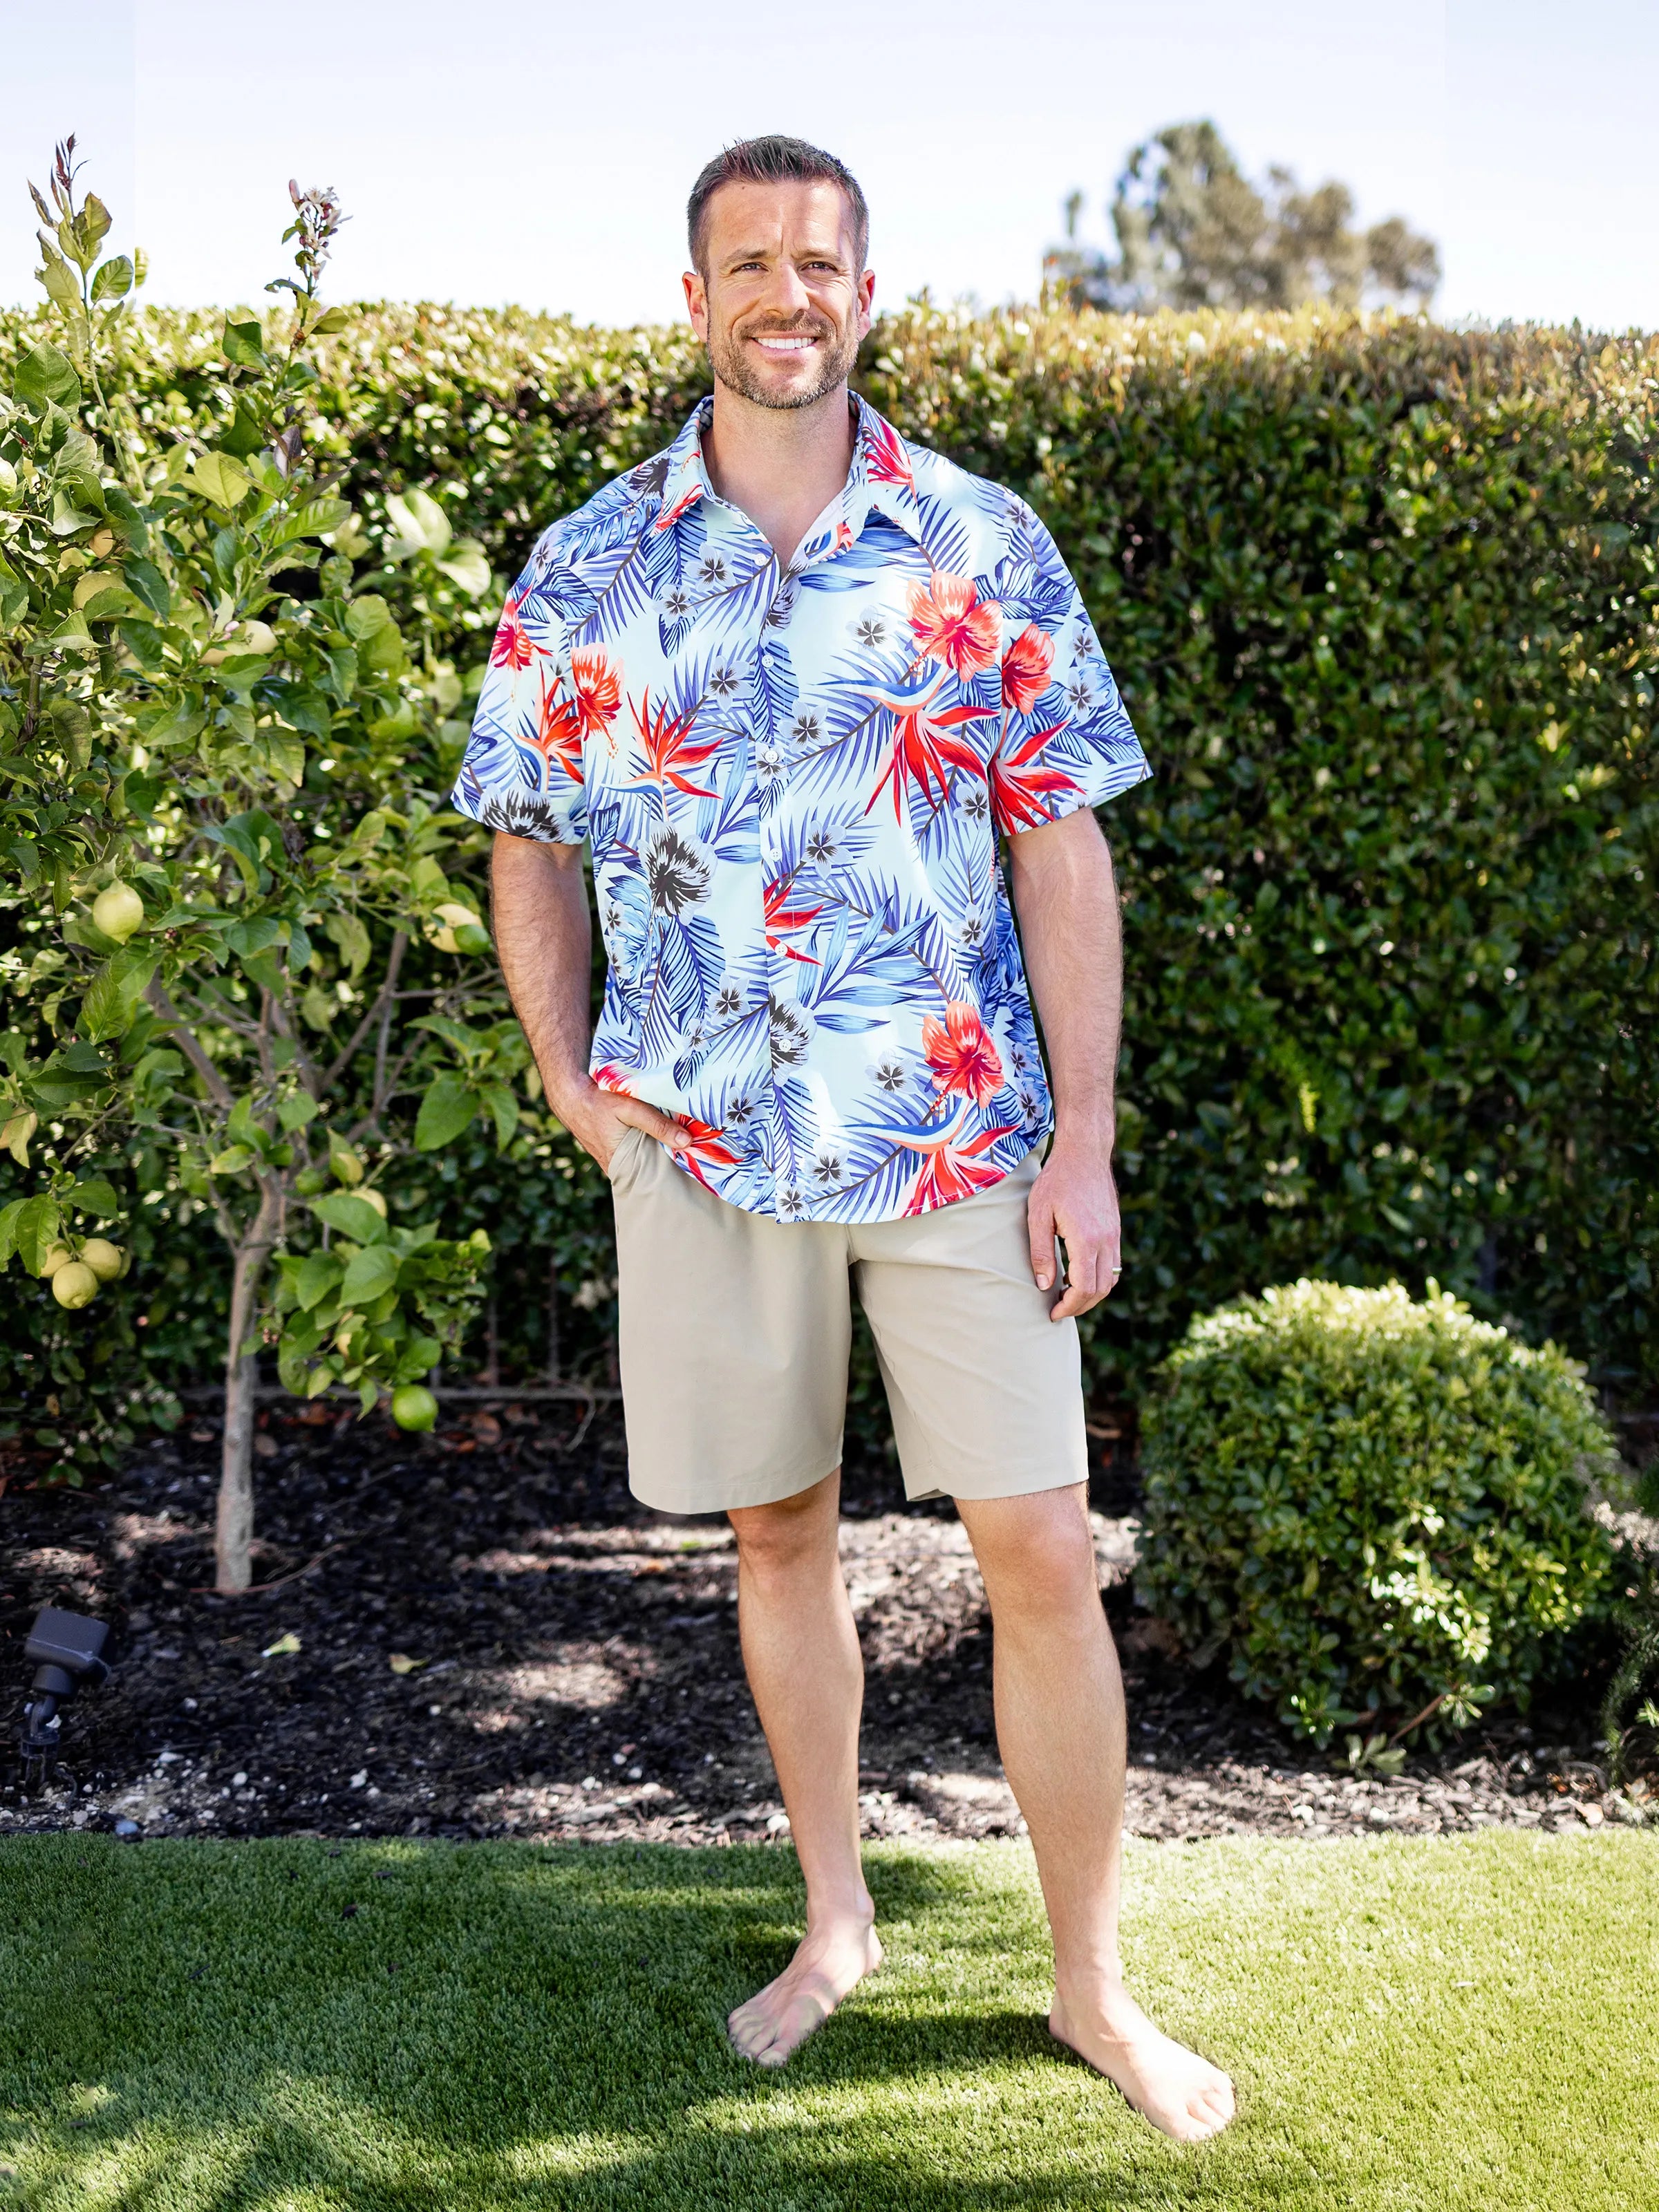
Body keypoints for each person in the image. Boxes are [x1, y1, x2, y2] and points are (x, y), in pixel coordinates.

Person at [453, 134, 1235, 2144]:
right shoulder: (588, 565)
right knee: (779, 1536)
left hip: (958, 1133)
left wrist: (1084, 1144)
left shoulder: (977, 541)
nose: (786, 295)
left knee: (1039, 1549)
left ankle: (1091, 1985)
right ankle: (837, 1920)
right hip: (708, 1148)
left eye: (819, 264)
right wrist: (568, 1076)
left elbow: (1063, 848)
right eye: (750, 264)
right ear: (693, 299)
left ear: (865, 294)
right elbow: (524, 831)